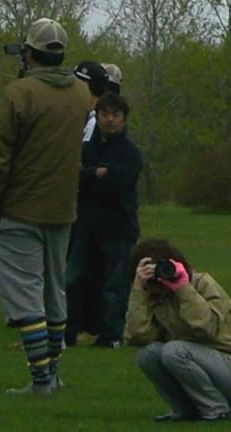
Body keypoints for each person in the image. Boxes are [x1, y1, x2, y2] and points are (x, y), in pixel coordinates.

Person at [0, 17, 97, 396]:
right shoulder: (81, 93)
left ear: (29, 54)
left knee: (26, 295)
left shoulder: (19, 93)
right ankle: (54, 373)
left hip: (19, 208)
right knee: (54, 291)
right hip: (62, 208)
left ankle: (41, 378)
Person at [123, 237, 231, 423]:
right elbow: (138, 336)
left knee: (174, 351)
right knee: (147, 354)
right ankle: (184, 410)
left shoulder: (202, 283)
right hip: (196, 363)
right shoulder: (152, 295)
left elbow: (207, 328)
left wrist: (183, 288)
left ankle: (217, 410)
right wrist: (138, 290)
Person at [66, 91, 143, 348]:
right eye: (105, 114)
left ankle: (110, 336)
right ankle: (68, 331)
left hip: (119, 228)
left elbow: (119, 182)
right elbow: (74, 176)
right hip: (86, 227)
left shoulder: (131, 152)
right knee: (74, 280)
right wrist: (93, 174)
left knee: (114, 285)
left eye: (116, 115)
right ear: (97, 117)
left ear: (124, 119)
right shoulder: (86, 149)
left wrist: (92, 176)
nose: (110, 120)